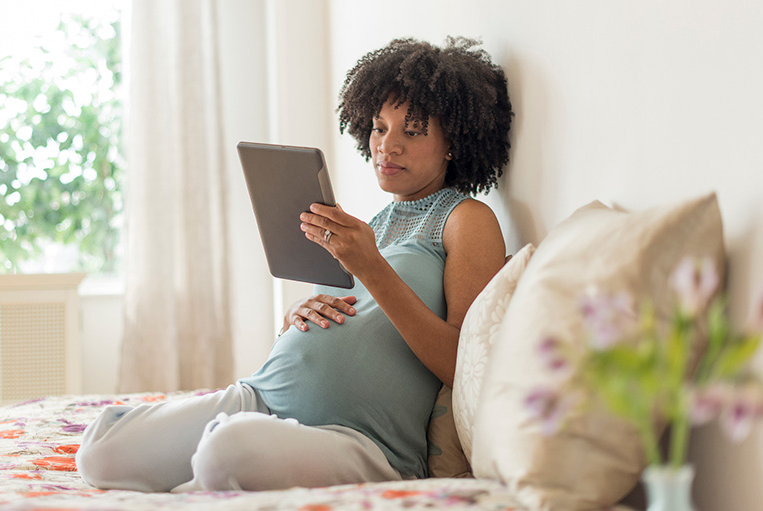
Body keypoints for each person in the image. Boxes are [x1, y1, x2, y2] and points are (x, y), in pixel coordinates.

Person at [76, 36, 513, 493]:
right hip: (261, 395)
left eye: (413, 130)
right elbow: (359, 321)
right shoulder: (373, 224)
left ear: (454, 144)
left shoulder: (466, 220)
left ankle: (214, 462)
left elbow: (462, 363)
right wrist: (296, 316)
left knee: (225, 453)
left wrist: (370, 268)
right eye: (379, 128)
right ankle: (211, 456)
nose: (388, 146)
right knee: (100, 455)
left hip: (360, 439)